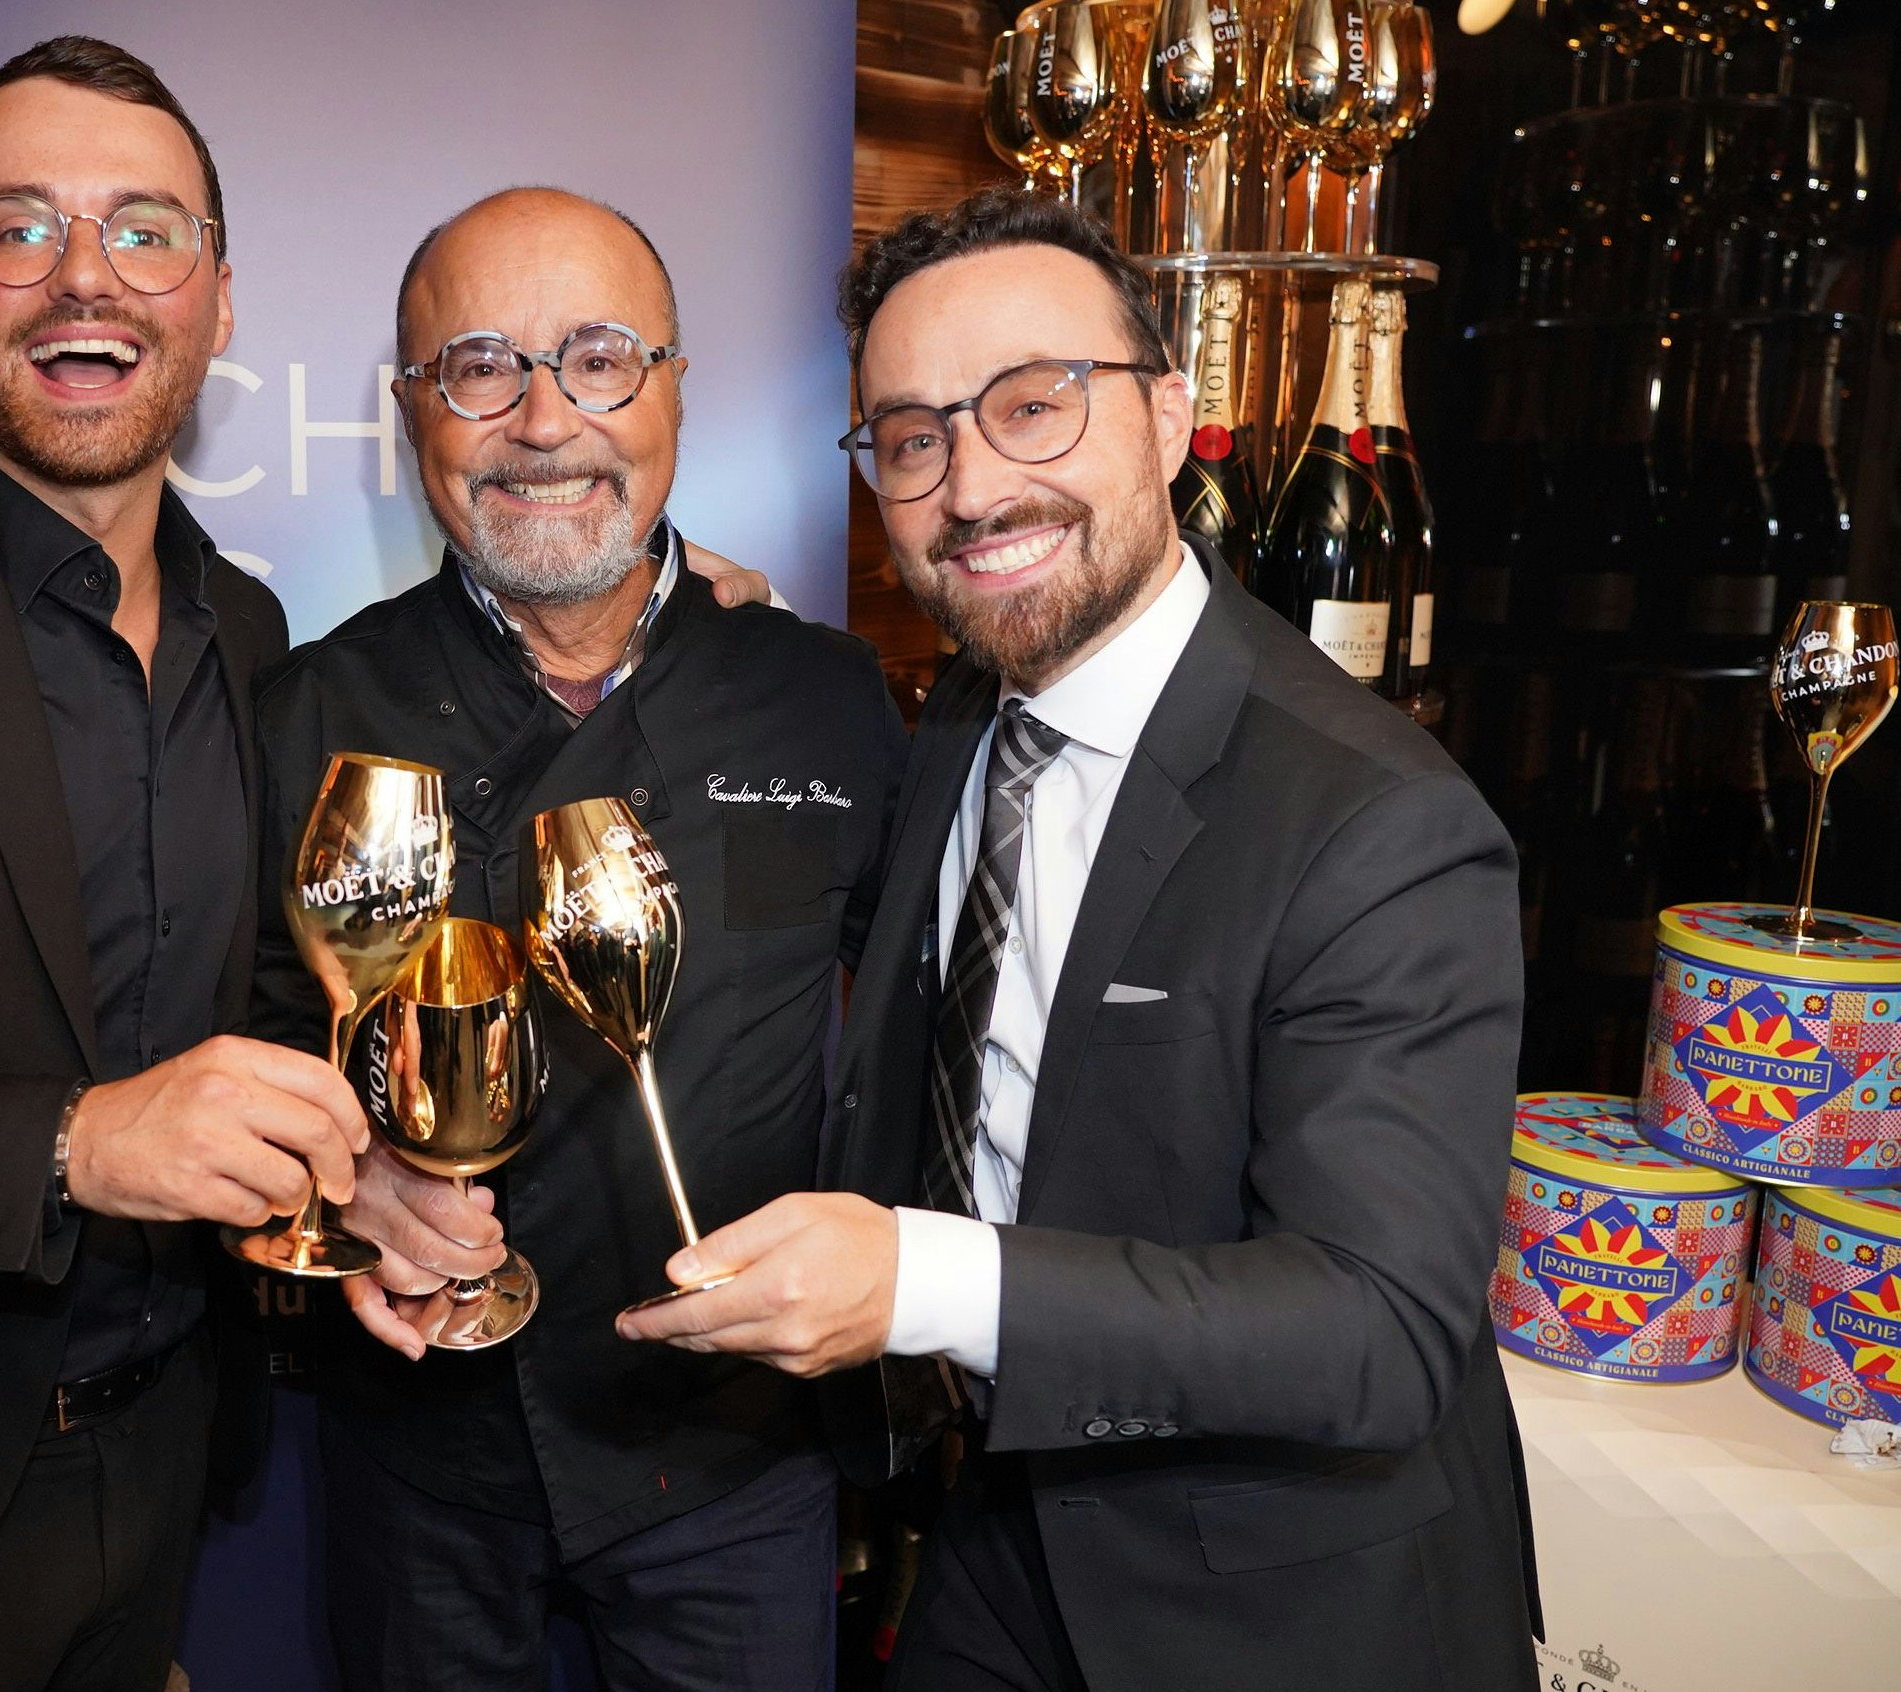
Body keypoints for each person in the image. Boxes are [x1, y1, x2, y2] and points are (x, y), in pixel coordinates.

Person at [0, 39, 767, 1692]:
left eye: (144, 230)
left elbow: (254, 1012)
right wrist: (73, 1142)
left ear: (218, 300)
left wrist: (351, 1179)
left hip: (163, 1492)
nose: (84, 277)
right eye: (16, 227)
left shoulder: (245, 635)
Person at [618, 188, 1540, 1692]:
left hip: (1273, 1602)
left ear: (1169, 421)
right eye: (911, 439)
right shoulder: (967, 713)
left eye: (1034, 405)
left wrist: (918, 1281)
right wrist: (710, 621)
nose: (973, 488)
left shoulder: (1378, 824)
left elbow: (1378, 1329)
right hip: (995, 1529)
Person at [251, 187, 906, 1692]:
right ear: (410, 412)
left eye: (600, 360)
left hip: (738, 1456)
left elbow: (918, 1034)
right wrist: (345, 1180)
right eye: (479, 367)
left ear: (674, 388)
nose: (544, 422)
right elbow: (250, 1030)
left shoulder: (825, 697)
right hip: (422, 1454)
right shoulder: (308, 708)